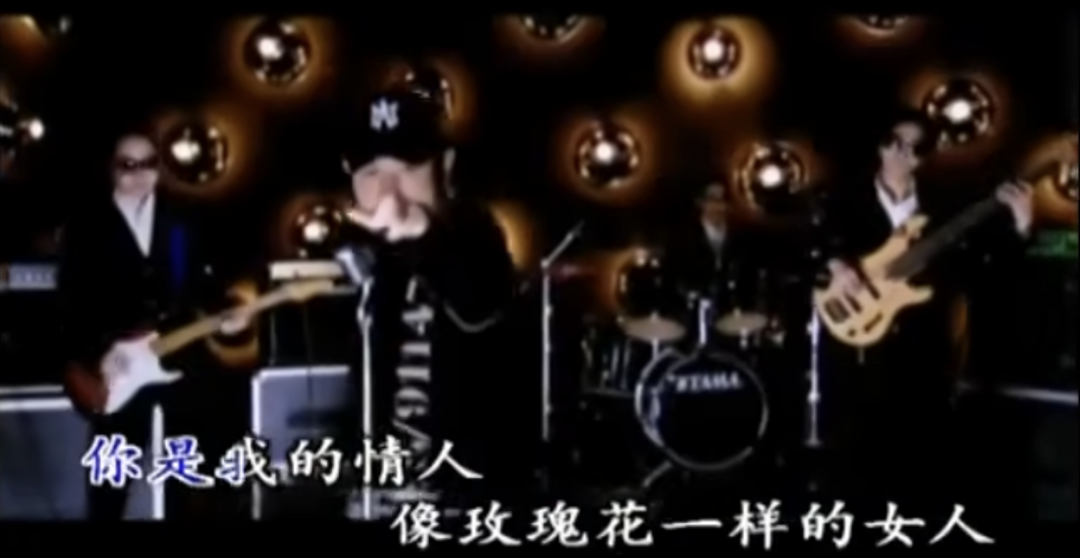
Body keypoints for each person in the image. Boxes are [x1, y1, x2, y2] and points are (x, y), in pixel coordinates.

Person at [821, 107, 1033, 522]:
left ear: (924, 157)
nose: (902, 154)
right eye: (895, 143)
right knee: (858, 458)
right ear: (881, 146)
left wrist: (1022, 225)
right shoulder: (846, 200)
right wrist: (836, 264)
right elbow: (815, 239)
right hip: (859, 349)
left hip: (924, 347)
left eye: (914, 148)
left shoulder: (944, 207)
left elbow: (988, 264)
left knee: (923, 458)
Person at [339, 90, 519, 511]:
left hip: (461, 501)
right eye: (371, 172)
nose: (389, 191)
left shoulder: (473, 233)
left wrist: (424, 237)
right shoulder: (353, 252)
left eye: (406, 169)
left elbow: (481, 306)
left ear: (446, 166)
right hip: (378, 493)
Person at [57, 128, 248, 520]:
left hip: (180, 357)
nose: (140, 173)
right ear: (112, 169)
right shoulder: (86, 225)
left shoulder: (180, 219)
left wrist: (229, 313)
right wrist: (99, 355)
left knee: (193, 469)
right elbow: (73, 302)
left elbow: (201, 282)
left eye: (148, 164)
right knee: (111, 478)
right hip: (120, 365)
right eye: (129, 164)